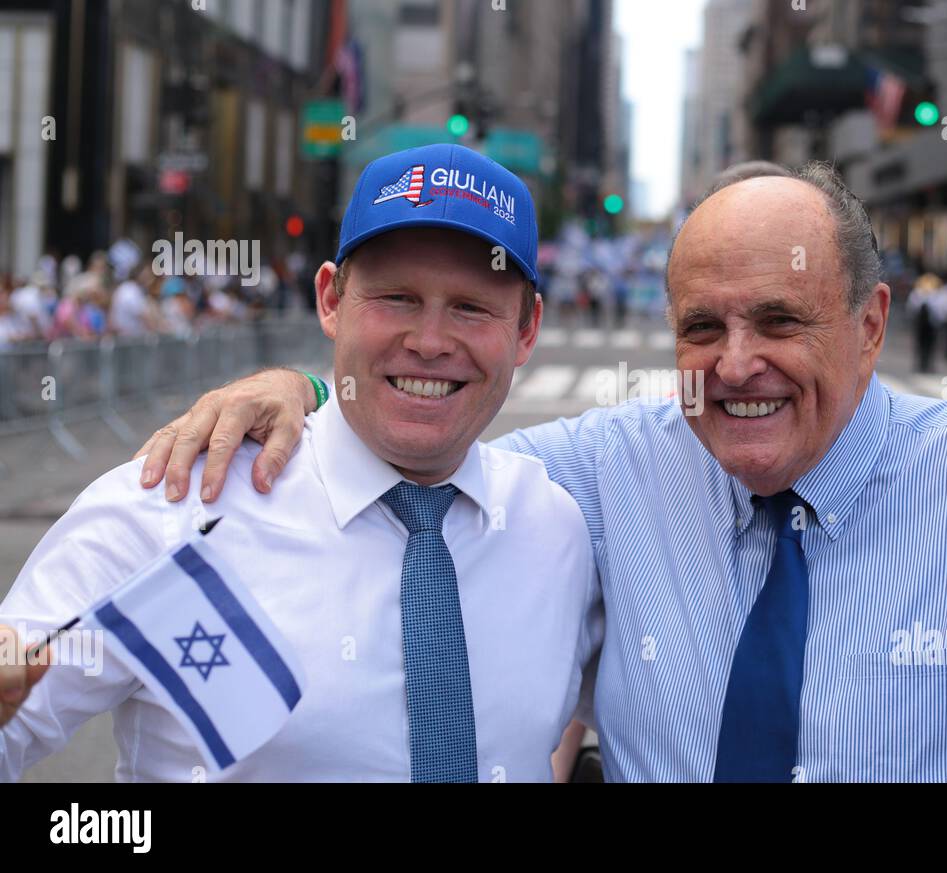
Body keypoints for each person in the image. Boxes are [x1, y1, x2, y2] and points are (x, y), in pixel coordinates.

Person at [133, 162, 947, 782]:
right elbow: (424, 435)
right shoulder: (599, 468)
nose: (737, 367)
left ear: (873, 322)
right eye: (701, 328)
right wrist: (309, 393)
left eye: (781, 321)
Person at [0, 143, 601, 782]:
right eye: (396, 298)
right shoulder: (174, 501)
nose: (429, 342)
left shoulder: (556, 527)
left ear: (527, 329)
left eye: (471, 307)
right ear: (331, 301)